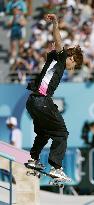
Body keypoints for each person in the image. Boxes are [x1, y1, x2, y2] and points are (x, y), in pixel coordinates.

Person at [25, 14, 83, 181]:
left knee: (44, 131)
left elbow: (51, 50)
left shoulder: (52, 58)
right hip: (42, 100)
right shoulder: (61, 57)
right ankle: (56, 167)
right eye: (74, 65)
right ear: (70, 58)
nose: (72, 69)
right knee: (61, 133)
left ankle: (34, 159)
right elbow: (58, 42)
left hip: (32, 102)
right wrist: (56, 24)